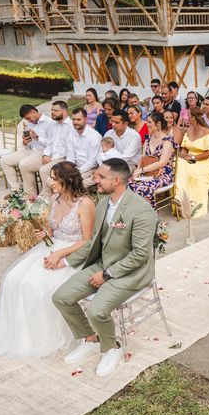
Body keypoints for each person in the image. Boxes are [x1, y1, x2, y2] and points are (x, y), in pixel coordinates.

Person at [0, 161, 96, 358]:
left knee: (35, 285)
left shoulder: (85, 204)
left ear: (67, 181)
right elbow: (54, 228)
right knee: (14, 278)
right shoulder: (56, 198)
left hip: (73, 254)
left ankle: (42, 338)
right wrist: (46, 233)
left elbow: (87, 240)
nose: (50, 182)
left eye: (55, 179)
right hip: (51, 247)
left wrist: (60, 253)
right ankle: (20, 334)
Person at [52, 158, 157, 377]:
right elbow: (92, 242)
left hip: (130, 273)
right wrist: (66, 260)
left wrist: (107, 274)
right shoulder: (103, 203)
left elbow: (140, 254)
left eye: (100, 176)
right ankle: (91, 339)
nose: (94, 179)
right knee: (61, 297)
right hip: (102, 265)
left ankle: (112, 348)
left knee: (96, 310)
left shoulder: (141, 209)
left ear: (116, 180)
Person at [1, 104, 55, 195]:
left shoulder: (49, 123)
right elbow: (28, 144)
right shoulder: (30, 123)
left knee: (24, 164)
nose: (29, 120)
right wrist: (25, 142)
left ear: (34, 112)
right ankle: (16, 190)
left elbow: (53, 144)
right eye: (26, 119)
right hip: (30, 151)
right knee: (4, 160)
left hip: (43, 152)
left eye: (29, 118)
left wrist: (37, 138)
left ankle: (30, 195)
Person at [175, 108, 209, 218]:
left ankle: (190, 204)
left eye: (188, 116)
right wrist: (184, 155)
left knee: (190, 170)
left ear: (194, 117)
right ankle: (180, 197)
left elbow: (208, 153)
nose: (186, 118)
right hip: (188, 159)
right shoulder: (188, 130)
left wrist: (193, 157)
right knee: (179, 162)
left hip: (203, 161)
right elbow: (184, 147)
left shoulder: (207, 132)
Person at [128, 112, 174, 209]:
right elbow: (143, 157)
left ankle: (149, 216)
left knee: (143, 188)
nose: (147, 124)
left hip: (162, 174)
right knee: (128, 183)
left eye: (149, 122)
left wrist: (142, 170)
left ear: (158, 124)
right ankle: (133, 213)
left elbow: (162, 162)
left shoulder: (167, 141)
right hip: (146, 173)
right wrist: (138, 171)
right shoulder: (148, 139)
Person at [39, 101, 72, 194]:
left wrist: (53, 159)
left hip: (63, 158)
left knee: (43, 170)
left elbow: (69, 149)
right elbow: (49, 143)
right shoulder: (52, 125)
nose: (52, 112)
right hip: (50, 156)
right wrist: (45, 154)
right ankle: (29, 195)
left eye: (55, 110)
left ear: (65, 112)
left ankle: (46, 196)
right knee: (26, 165)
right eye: (52, 110)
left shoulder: (71, 126)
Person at [66, 108, 102, 184]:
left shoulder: (94, 136)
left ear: (86, 120)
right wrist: (70, 169)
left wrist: (77, 171)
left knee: (71, 181)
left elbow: (93, 161)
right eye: (74, 119)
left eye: (78, 119)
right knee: (58, 178)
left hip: (90, 169)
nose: (75, 122)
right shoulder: (71, 134)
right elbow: (70, 157)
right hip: (75, 167)